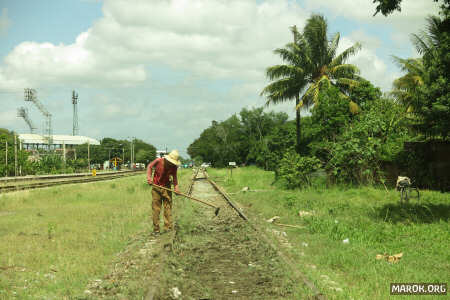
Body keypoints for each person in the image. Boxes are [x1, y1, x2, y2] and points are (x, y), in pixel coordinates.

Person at [147, 150, 181, 235]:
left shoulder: (174, 167)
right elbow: (149, 166)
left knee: (168, 207)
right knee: (156, 209)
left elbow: (175, 177)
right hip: (156, 187)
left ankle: (168, 227)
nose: (171, 164)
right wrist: (149, 178)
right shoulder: (158, 161)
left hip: (167, 187)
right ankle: (156, 229)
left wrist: (176, 188)